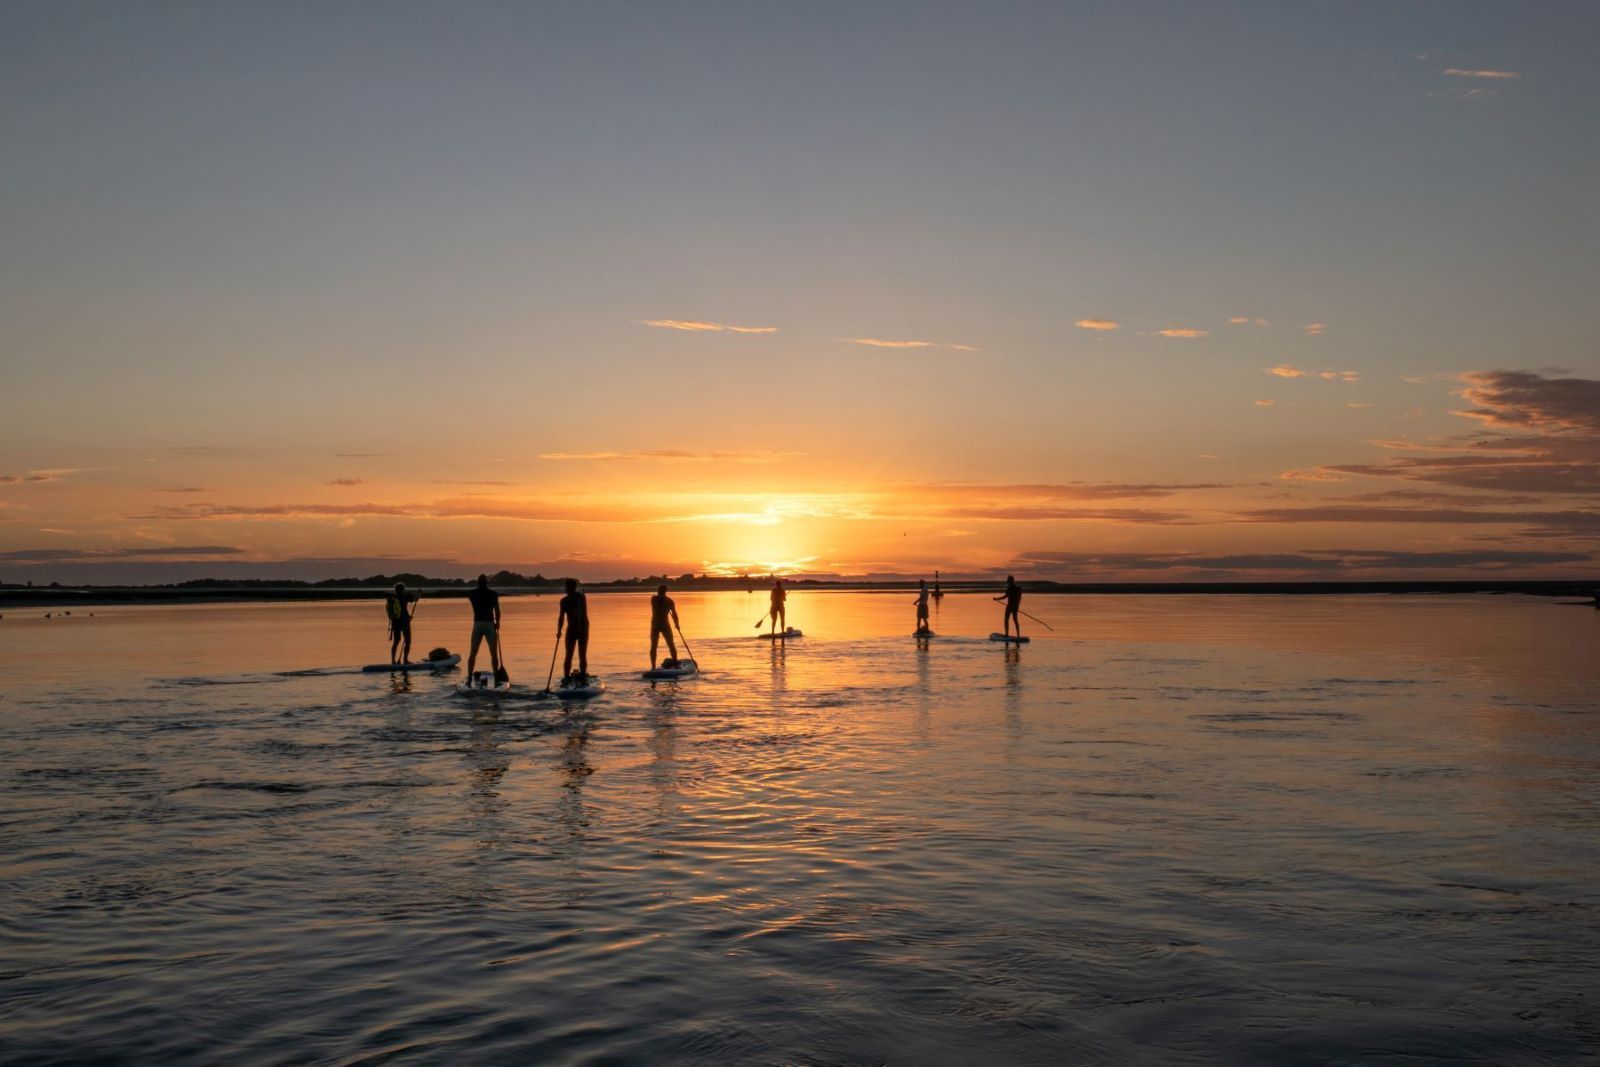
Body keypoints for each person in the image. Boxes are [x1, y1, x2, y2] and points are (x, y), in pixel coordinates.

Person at [466, 574, 503, 681]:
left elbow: (496, 610)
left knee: (473, 652)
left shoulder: (472, 594)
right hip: (489, 624)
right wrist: (498, 623)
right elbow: (497, 610)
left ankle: (469, 677)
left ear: (478, 582)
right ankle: (496, 677)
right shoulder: (493, 594)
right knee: (493, 653)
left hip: (477, 624)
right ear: (487, 583)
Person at [558, 577, 590, 684]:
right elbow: (561, 617)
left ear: (570, 588)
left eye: (566, 587)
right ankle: (566, 677)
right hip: (571, 628)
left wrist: (580, 628)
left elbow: (582, 613)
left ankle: (583, 675)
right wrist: (559, 631)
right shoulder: (564, 601)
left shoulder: (581, 598)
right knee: (569, 654)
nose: (564, 589)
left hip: (583, 628)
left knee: (582, 654)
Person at [649, 584, 681, 669]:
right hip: (659, 624)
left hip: (660, 624)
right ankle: (653, 667)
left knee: (668, 644)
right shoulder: (656, 599)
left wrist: (677, 624)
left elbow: (674, 614)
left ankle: (675, 664)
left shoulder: (666, 601)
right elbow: (674, 614)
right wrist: (676, 623)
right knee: (657, 645)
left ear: (659, 590)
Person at [386, 582, 417, 664]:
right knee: (408, 640)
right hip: (404, 621)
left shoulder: (392, 598)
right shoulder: (405, 596)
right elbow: (414, 599)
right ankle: (405, 660)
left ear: (395, 590)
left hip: (395, 622)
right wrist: (418, 594)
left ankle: (393, 661)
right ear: (403, 589)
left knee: (396, 641)